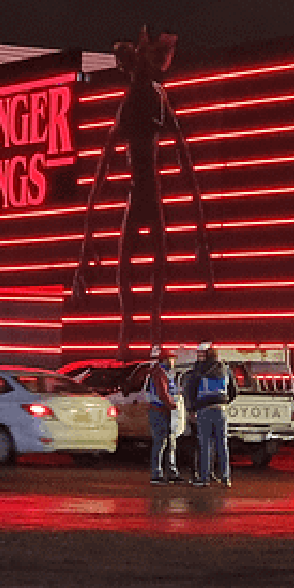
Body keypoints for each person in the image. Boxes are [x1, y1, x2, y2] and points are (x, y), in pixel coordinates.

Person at [71, 27, 214, 359]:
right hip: (142, 193)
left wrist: (202, 237)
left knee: (143, 264)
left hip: (145, 193)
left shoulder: (151, 98)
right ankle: (136, 337)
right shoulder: (143, 100)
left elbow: (182, 160)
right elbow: (105, 169)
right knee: (136, 265)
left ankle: (146, 337)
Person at [185, 341, 237, 487]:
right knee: (222, 444)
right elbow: (234, 390)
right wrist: (225, 401)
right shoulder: (225, 369)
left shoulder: (199, 369)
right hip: (220, 409)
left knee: (205, 444)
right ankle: (226, 477)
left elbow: (191, 389)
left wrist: (192, 409)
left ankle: (204, 478)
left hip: (204, 409)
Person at [147, 345, 182, 485]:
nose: (174, 361)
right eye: (172, 359)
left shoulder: (165, 373)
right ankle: (157, 474)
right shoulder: (159, 373)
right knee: (161, 442)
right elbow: (162, 393)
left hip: (164, 410)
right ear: (165, 359)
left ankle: (170, 472)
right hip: (159, 410)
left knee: (169, 442)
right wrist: (173, 405)